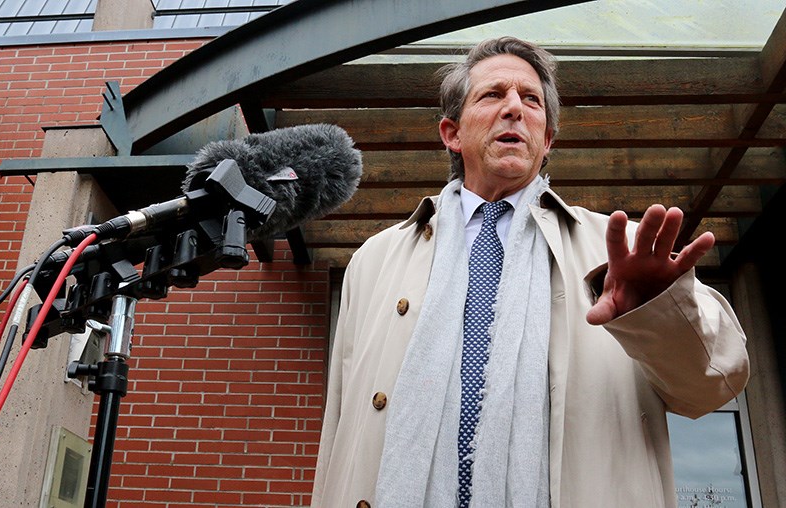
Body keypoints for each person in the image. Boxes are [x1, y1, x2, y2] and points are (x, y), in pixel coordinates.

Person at [311, 37, 749, 508]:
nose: (514, 108)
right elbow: (339, 429)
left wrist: (655, 313)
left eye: (531, 99)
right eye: (493, 94)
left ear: (548, 140)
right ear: (451, 133)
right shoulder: (374, 260)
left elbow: (711, 387)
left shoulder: (616, 248)